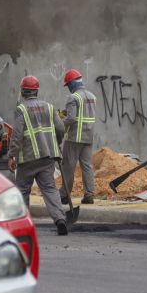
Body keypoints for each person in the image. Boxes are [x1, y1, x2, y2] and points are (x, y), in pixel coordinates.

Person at [8, 75, 68, 235]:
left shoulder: (21, 109)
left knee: (22, 190)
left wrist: (11, 155)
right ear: (37, 91)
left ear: (22, 91)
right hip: (47, 157)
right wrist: (56, 143)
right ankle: (60, 219)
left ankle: (23, 223)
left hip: (27, 159)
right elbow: (61, 129)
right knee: (50, 189)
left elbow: (17, 135)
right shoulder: (49, 107)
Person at [59, 69, 97, 205]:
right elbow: (82, 114)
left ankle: (64, 195)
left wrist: (59, 125)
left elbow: (71, 119)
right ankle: (89, 194)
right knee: (86, 166)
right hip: (88, 137)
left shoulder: (73, 97)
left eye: (68, 84)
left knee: (68, 166)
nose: (68, 87)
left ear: (73, 83)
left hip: (74, 138)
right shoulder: (92, 96)